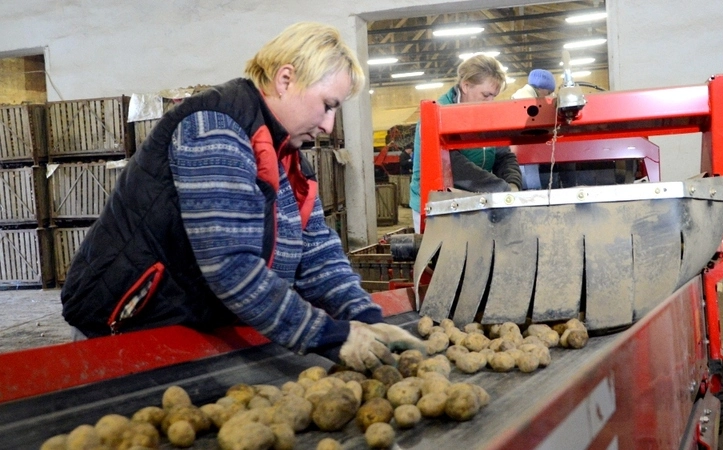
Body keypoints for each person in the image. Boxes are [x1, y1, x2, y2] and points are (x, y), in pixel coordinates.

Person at [60, 22, 423, 372]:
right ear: (285, 80)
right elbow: (231, 266)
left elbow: (316, 253)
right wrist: (331, 336)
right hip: (123, 331)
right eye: (328, 105)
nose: (329, 125)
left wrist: (365, 317)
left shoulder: (287, 159)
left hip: (189, 328)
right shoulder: (214, 130)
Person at [408, 54, 523, 232]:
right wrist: (499, 188)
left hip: (475, 200)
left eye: (494, 96)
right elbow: (451, 165)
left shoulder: (484, 114)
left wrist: (513, 185)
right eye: (486, 95)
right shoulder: (436, 118)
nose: (490, 102)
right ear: (466, 85)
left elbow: (503, 155)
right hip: (438, 206)